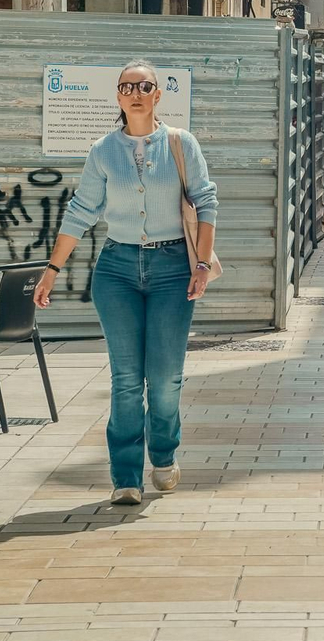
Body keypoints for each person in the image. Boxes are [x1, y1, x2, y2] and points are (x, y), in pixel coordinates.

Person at [34, 60, 218, 505]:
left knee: (166, 377)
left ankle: (164, 452)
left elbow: (205, 201)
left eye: (145, 85)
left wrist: (201, 265)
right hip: (116, 269)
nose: (135, 92)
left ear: (158, 94)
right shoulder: (102, 150)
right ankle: (125, 477)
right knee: (126, 378)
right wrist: (52, 269)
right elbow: (81, 211)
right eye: (126, 86)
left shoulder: (181, 143)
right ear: (117, 97)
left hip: (173, 268)